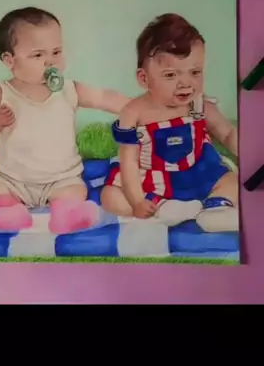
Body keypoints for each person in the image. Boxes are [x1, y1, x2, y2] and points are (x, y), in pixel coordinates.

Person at [0, 7, 130, 234]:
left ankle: (67, 214)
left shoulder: (68, 89)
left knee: (76, 190)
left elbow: (103, 98)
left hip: (61, 179)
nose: (50, 62)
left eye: (56, 52)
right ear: (9, 60)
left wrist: (138, 108)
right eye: (38, 55)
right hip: (12, 179)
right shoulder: (2, 92)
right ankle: (8, 210)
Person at [101, 13, 238, 232]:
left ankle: (217, 208)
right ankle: (164, 208)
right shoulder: (134, 112)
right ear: (144, 79)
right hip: (152, 178)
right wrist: (136, 201)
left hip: (197, 170)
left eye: (195, 72)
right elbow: (129, 161)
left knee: (232, 180)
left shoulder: (199, 104)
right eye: (171, 75)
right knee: (110, 196)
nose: (185, 83)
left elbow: (228, 133)